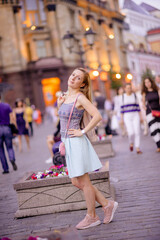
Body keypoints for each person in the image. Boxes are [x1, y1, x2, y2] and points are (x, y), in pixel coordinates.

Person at [57, 68, 118, 230]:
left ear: (82, 84)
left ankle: (92, 216)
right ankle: (107, 204)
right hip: (67, 142)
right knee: (76, 181)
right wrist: (59, 105)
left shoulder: (80, 98)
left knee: (83, 182)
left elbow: (97, 115)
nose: (73, 78)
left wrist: (82, 131)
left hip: (76, 143)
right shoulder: (65, 97)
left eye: (78, 78)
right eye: (73, 75)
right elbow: (63, 120)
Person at [120, 83, 143, 154]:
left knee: (137, 131)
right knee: (130, 132)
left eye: (130, 88)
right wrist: (121, 119)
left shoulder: (134, 96)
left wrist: (141, 117)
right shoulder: (122, 97)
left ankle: (137, 147)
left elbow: (138, 107)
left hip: (135, 114)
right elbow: (121, 109)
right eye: (127, 88)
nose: (129, 89)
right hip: (127, 115)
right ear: (125, 89)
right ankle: (131, 143)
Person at [0, 95, 17, 174]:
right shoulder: (6, 105)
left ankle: (5, 169)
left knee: (0, 150)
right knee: (9, 147)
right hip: (7, 128)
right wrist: (14, 128)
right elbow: (12, 118)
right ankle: (12, 158)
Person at [142, 78, 160, 152]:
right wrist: (145, 108)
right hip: (150, 112)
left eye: (148, 82)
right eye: (145, 83)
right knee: (153, 129)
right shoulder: (144, 93)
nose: (147, 84)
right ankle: (158, 146)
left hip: (158, 110)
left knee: (159, 127)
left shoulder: (157, 90)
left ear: (151, 82)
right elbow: (143, 103)